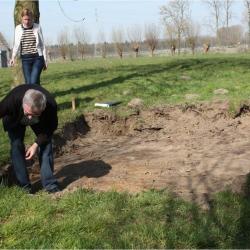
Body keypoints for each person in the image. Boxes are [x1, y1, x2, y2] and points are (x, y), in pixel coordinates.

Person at [0, 84, 59, 193]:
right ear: (24, 104)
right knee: (16, 145)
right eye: (28, 113)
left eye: (34, 114)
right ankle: (24, 187)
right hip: (15, 118)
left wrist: (36, 144)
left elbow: (51, 128)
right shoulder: (11, 101)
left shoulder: (50, 105)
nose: (30, 118)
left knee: (46, 145)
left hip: (40, 121)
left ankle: (50, 185)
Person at [10, 8, 47, 85]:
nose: (27, 21)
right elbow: (16, 45)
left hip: (37, 58)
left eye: (29, 19)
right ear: (22, 18)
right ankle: (39, 95)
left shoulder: (37, 27)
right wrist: (12, 57)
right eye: (25, 19)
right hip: (25, 59)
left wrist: (45, 61)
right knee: (28, 84)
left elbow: (42, 45)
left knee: (33, 82)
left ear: (32, 18)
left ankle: (39, 95)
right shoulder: (18, 29)